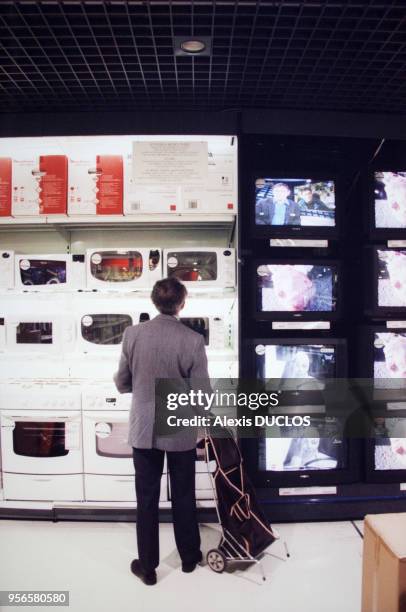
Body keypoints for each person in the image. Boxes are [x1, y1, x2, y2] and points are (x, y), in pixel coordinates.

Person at [114, 277, 210, 586]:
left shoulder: (133, 334)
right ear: (182, 303)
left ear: (154, 302)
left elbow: (121, 381)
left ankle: (148, 567)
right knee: (183, 494)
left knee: (146, 498)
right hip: (179, 426)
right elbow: (201, 394)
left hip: (144, 427)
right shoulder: (193, 340)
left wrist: (139, 389)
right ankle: (189, 558)